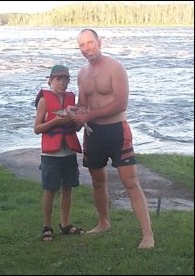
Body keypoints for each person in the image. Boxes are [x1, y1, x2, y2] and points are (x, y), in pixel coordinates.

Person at [71, 29, 155, 249]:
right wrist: (74, 112)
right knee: (98, 180)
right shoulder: (82, 74)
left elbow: (120, 104)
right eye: (82, 45)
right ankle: (103, 222)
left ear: (100, 42)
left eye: (90, 42)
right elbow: (83, 103)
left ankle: (148, 235)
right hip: (94, 134)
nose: (87, 48)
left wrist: (87, 114)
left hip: (117, 131)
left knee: (130, 182)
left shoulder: (115, 68)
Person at [34, 64, 84, 241]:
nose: (62, 83)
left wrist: (79, 122)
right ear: (50, 80)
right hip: (51, 156)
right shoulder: (44, 100)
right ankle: (47, 227)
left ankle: (65, 224)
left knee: (68, 188)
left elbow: (76, 128)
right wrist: (55, 122)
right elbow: (37, 128)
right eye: (58, 79)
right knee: (50, 190)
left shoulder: (71, 98)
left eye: (66, 79)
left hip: (68, 153)